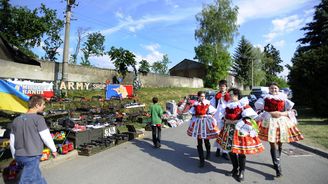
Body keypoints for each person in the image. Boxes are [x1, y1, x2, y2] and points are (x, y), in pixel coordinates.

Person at [255, 82, 303, 177]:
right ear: (269, 89)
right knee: (273, 144)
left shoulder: (283, 97)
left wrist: (281, 114)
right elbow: (260, 110)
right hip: (269, 121)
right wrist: (270, 113)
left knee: (280, 143)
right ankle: (278, 167)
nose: (274, 90)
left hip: (281, 121)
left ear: (278, 89)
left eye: (275, 88)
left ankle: (277, 160)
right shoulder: (264, 98)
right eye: (272, 88)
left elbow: (289, 110)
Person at [216, 88, 264, 181]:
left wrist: (236, 121)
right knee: (231, 150)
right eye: (229, 95)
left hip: (240, 130)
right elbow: (223, 116)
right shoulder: (228, 105)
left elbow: (250, 117)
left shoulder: (243, 104)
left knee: (241, 152)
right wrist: (225, 120)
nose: (229, 96)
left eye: (231, 95)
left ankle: (242, 171)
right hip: (228, 129)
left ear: (236, 95)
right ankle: (235, 169)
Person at [9, 95, 57, 183]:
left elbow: (12, 139)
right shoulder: (39, 119)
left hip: (19, 155)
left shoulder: (16, 120)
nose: (44, 106)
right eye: (43, 104)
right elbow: (46, 136)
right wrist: (53, 149)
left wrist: (14, 155)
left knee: (37, 178)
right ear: (37, 105)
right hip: (32, 155)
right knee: (26, 180)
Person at [187, 91, 220, 167]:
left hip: (205, 123)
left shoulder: (207, 104)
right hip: (198, 123)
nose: (203, 98)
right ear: (198, 97)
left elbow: (213, 112)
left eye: (204, 96)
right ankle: (201, 160)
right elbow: (191, 113)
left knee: (206, 140)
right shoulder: (195, 104)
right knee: (199, 142)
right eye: (201, 96)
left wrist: (208, 116)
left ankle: (208, 153)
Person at [210, 79, 230, 160]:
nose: (222, 87)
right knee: (219, 134)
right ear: (219, 87)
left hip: (227, 117)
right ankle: (218, 149)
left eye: (224, 86)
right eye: (221, 86)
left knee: (226, 134)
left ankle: (225, 152)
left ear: (226, 87)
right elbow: (211, 105)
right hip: (218, 117)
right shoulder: (216, 96)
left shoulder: (229, 95)